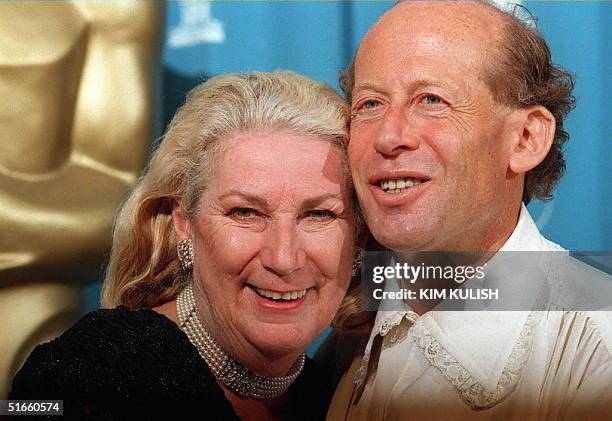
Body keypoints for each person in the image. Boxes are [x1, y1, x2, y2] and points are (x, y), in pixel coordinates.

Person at [9, 71, 361, 420]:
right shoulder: (91, 374)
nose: (284, 258)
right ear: (183, 222)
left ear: (359, 234)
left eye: (319, 214)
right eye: (246, 212)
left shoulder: (337, 396)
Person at [323, 1, 612, 420]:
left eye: (432, 100)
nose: (389, 136)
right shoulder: (343, 334)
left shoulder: (596, 342)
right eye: (370, 104)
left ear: (526, 138)